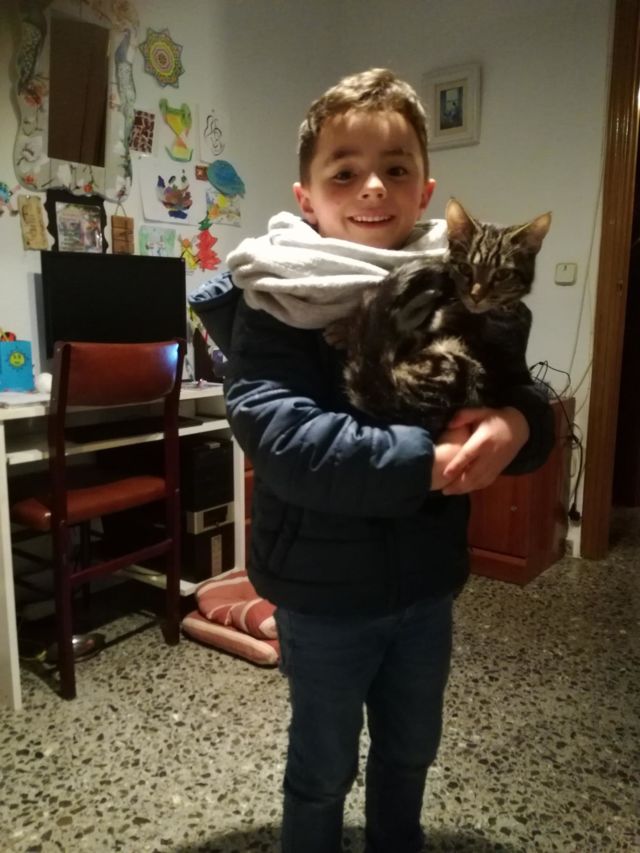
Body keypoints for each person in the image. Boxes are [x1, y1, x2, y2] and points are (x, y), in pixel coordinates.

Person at [189, 68, 554, 853]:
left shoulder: (461, 281)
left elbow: (522, 391)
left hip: (426, 583)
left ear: (426, 192)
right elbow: (284, 439)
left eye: (395, 168)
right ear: (306, 197)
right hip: (321, 594)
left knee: (410, 752)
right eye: (345, 171)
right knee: (321, 771)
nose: (373, 187)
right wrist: (427, 459)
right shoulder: (274, 296)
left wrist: (519, 425)